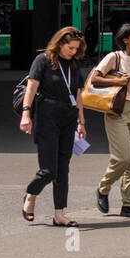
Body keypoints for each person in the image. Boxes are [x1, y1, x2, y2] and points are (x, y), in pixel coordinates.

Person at [20, 26, 88, 227]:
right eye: (70, 48)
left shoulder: (74, 65)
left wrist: (81, 122)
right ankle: (31, 194)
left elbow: (78, 95)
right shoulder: (43, 60)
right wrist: (26, 114)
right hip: (47, 115)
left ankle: (59, 214)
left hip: (69, 117)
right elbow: (31, 87)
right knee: (49, 170)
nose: (73, 52)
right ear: (59, 44)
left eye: (76, 48)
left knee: (63, 169)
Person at [88, 23, 130, 218]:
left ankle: (129, 204)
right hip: (118, 111)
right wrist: (117, 81)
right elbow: (94, 80)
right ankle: (103, 188)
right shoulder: (114, 57)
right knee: (122, 157)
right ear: (125, 40)